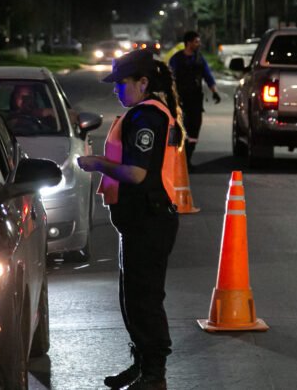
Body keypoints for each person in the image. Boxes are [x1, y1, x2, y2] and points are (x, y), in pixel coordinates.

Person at [77, 49, 185, 390]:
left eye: (121, 84)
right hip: (138, 220)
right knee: (132, 297)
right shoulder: (140, 114)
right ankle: (141, 365)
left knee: (145, 299)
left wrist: (97, 163)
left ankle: (154, 373)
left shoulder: (147, 118)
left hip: (149, 220)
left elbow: (137, 173)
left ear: (142, 82)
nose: (116, 91)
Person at [167, 31, 220, 169]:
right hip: (180, 100)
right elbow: (169, 78)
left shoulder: (199, 59)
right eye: (196, 41)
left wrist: (215, 92)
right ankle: (177, 159)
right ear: (189, 43)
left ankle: (187, 158)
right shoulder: (177, 59)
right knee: (179, 128)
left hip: (195, 100)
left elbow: (208, 76)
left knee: (195, 128)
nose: (199, 44)